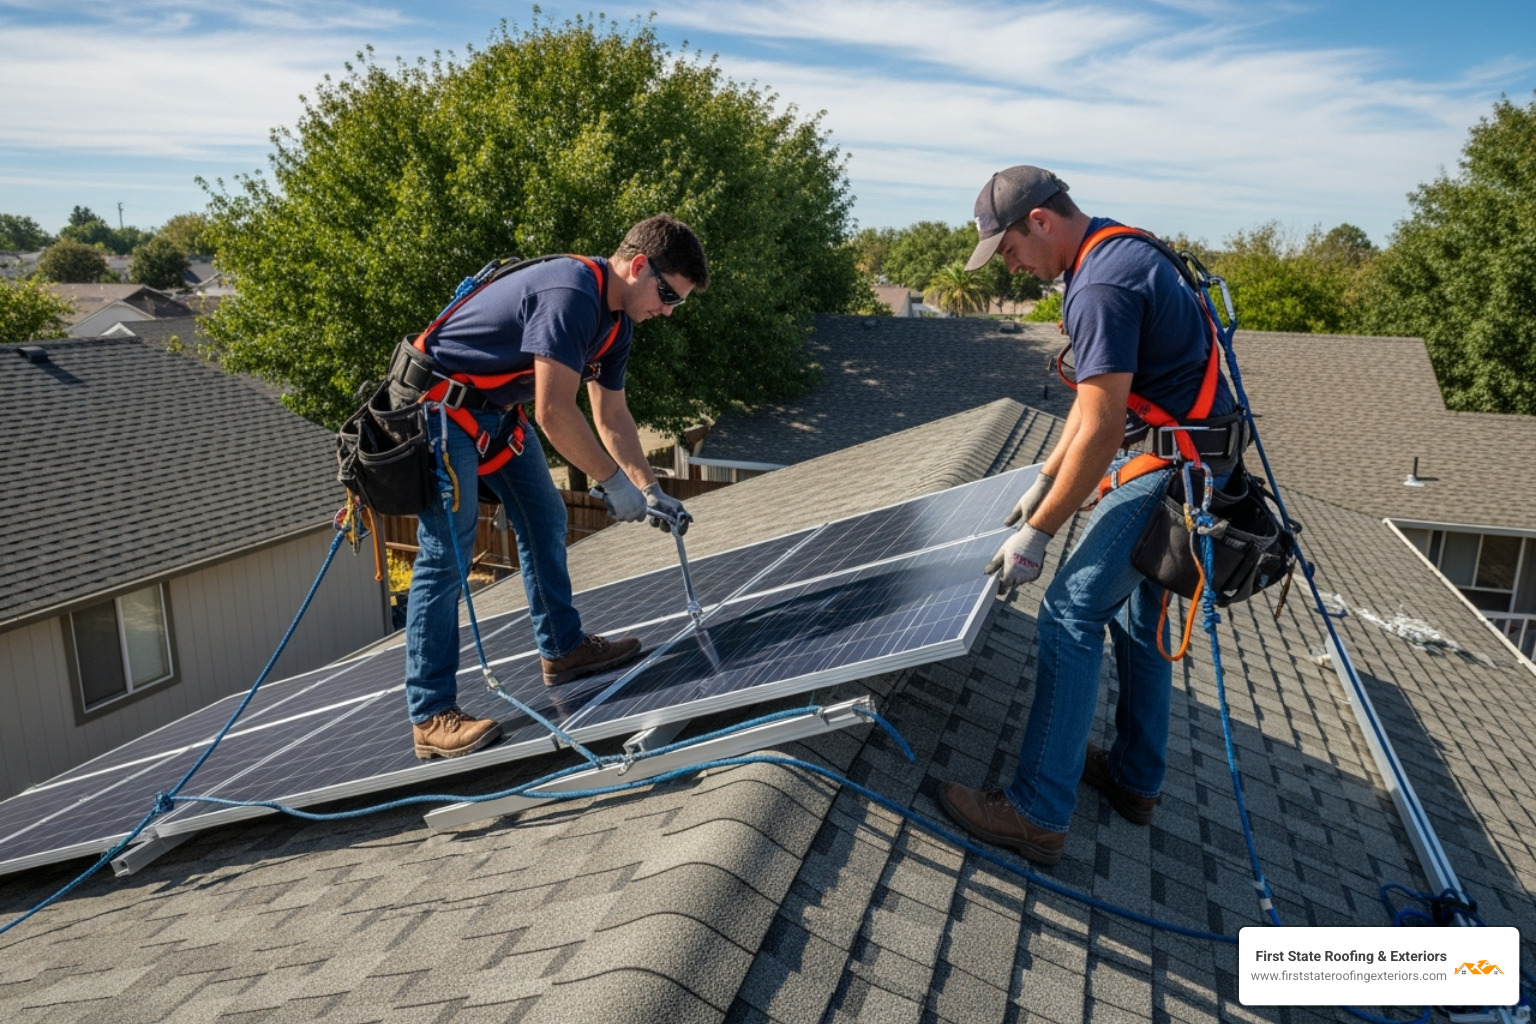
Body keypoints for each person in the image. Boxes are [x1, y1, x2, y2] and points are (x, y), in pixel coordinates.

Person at [937, 166, 1238, 865]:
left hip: (1174, 471)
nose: (1011, 268)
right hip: (1198, 462)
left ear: (1041, 220)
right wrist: (1044, 479)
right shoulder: (1119, 249)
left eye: (1009, 250)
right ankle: (1136, 779)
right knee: (1140, 617)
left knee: (1069, 613)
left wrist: (1036, 535)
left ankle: (1037, 812)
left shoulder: (1099, 284)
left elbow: (1104, 430)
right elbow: (1095, 399)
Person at [396, 214, 708, 759]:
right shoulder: (571, 294)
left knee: (544, 517)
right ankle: (430, 713)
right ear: (638, 267)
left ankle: (563, 649)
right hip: (440, 410)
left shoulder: (617, 324)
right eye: (667, 296)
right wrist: (614, 485)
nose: (667, 310)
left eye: (675, 302)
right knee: (448, 550)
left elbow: (610, 413)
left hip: (491, 414)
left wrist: (648, 487)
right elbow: (553, 411)